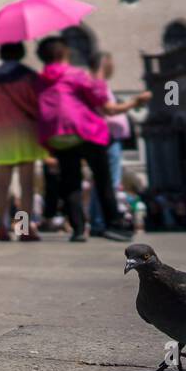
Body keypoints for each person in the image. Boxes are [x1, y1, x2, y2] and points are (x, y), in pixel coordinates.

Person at [35, 36, 147, 242]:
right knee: (103, 179)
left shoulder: (39, 81)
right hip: (86, 132)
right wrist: (136, 101)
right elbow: (105, 105)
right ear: (64, 54)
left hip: (58, 136)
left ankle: (78, 230)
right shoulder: (76, 75)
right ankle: (113, 224)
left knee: (71, 183)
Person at [0, 42, 46, 241]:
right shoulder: (28, 75)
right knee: (26, 185)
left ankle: (0, 227)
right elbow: (37, 103)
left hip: (0, 133)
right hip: (25, 131)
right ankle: (24, 229)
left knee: (1, 184)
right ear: (22, 53)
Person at [86, 52, 142, 232]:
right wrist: (135, 102)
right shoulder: (97, 83)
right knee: (109, 181)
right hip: (107, 137)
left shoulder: (94, 83)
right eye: (111, 63)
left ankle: (97, 221)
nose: (113, 67)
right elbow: (109, 110)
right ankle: (102, 221)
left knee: (102, 181)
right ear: (104, 63)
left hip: (104, 137)